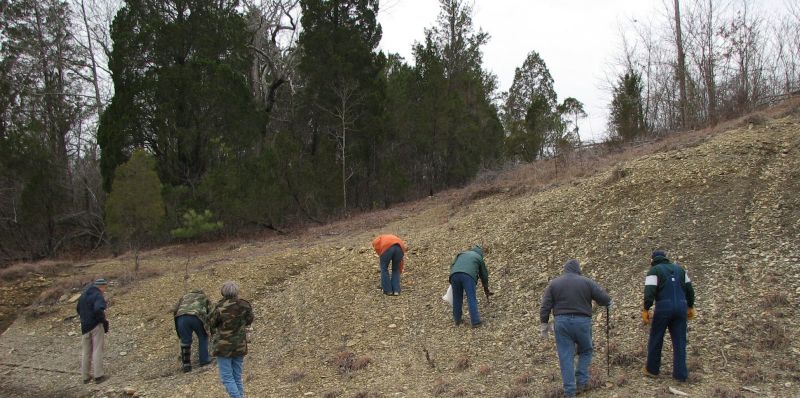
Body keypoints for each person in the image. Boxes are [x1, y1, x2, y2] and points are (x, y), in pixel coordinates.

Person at [539, 259, 611, 398]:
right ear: (578, 270)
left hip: (562, 322)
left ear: (565, 269)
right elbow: (604, 298)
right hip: (582, 322)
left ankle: (569, 392)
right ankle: (582, 382)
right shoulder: (587, 282)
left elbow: (545, 306)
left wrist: (544, 324)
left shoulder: (554, 283)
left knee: (566, 356)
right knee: (586, 350)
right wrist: (608, 303)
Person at [642, 250, 695, 382]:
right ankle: (680, 374)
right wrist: (690, 306)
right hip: (681, 307)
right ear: (666, 258)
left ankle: (652, 370)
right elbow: (690, 290)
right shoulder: (681, 270)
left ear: (652, 260)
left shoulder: (654, 271)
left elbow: (649, 292)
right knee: (679, 340)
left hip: (663, 307)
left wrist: (646, 309)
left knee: (657, 337)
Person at [209, 281, 254, 398]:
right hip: (240, 345)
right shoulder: (244, 305)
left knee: (227, 378)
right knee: (237, 377)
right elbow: (249, 320)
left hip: (223, 346)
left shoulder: (218, 307)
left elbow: (212, 324)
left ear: (223, 292)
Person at [449, 245, 493, 327]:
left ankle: (457, 320)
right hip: (468, 276)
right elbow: (484, 275)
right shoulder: (479, 258)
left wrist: (454, 274)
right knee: (471, 298)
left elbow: (452, 265)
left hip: (454, 275)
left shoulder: (462, 253)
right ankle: (475, 322)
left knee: (457, 297)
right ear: (480, 254)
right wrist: (486, 288)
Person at [76, 278, 110, 384]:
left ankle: (85, 377)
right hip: (95, 325)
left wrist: (85, 318)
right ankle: (98, 376)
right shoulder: (98, 295)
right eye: (105, 287)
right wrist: (103, 321)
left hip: (84, 327)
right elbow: (98, 309)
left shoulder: (83, 295)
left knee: (86, 352)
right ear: (101, 286)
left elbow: (78, 309)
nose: (105, 290)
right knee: (97, 350)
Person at [173, 289, 211, 372]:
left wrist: (177, 327)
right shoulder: (204, 297)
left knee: (185, 341)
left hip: (181, 317)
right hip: (196, 316)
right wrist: (209, 328)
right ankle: (204, 361)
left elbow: (175, 310)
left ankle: (186, 365)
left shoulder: (184, 297)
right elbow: (210, 312)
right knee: (203, 337)